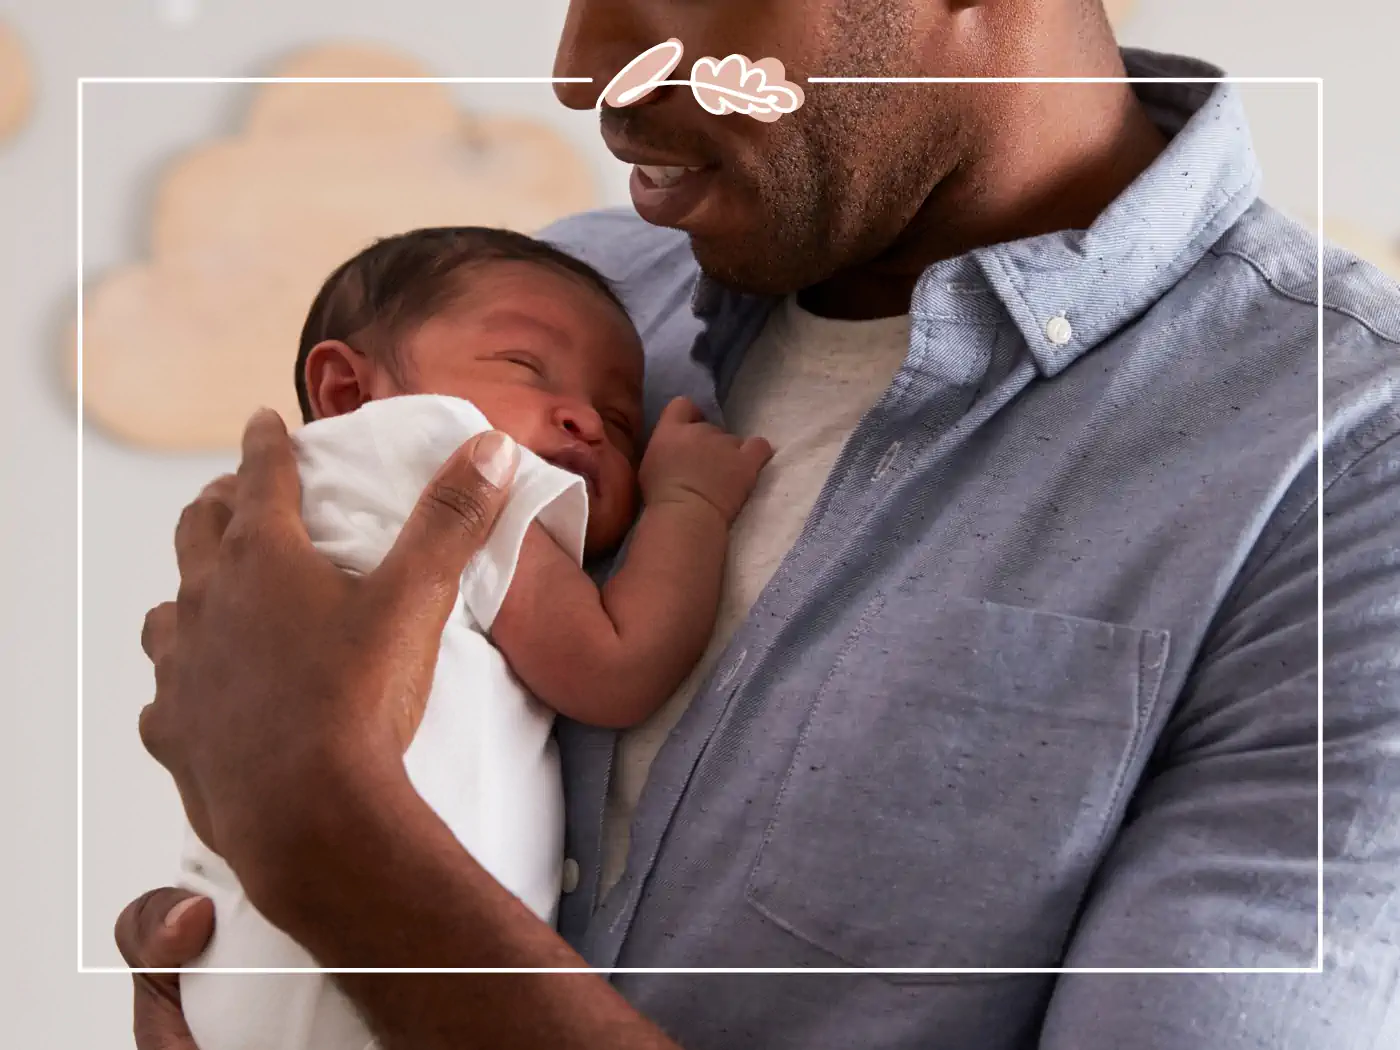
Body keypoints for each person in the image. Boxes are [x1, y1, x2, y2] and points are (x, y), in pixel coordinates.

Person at [118, 1, 1400, 1049]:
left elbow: (319, 807)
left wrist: (331, 850)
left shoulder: (1346, 469)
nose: (578, 67)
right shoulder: (579, 308)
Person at [174, 226, 770, 1050]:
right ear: (349, 390)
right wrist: (688, 506)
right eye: (525, 368)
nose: (587, 422)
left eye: (621, 420)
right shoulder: (436, 452)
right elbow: (614, 663)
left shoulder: (306, 497)